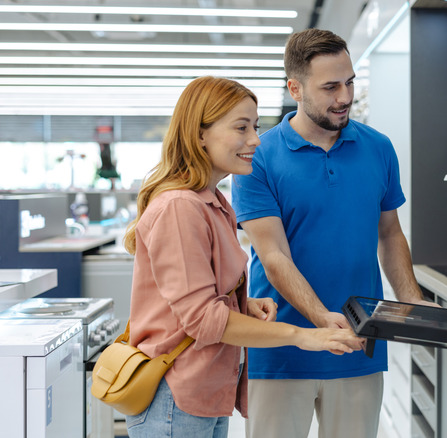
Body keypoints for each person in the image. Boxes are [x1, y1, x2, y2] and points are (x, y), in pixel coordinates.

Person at [122, 76, 363, 438]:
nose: (255, 140)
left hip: (204, 392)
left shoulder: (215, 204)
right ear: (200, 133)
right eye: (241, 127)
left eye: (256, 126)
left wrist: (241, 304)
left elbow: (195, 298)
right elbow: (202, 320)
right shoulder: (180, 208)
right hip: (174, 398)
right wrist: (301, 335)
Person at [231, 28, 430, 438]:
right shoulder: (259, 156)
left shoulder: (378, 148)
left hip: (359, 346)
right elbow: (273, 255)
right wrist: (322, 319)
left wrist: (412, 301)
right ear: (295, 88)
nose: (344, 97)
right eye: (330, 86)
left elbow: (389, 233)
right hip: (283, 349)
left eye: (350, 82)